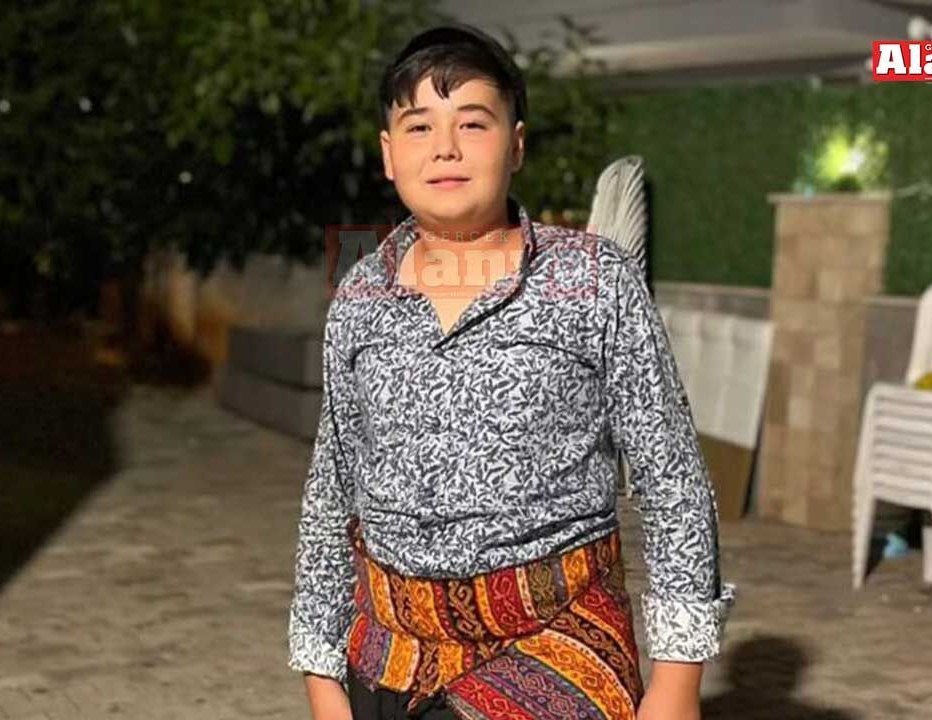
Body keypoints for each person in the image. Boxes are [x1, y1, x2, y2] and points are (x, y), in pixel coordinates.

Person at [288, 22, 735, 720]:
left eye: (473, 122)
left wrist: (677, 681)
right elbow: (331, 489)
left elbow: (671, 478)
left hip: (554, 650)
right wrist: (321, 677)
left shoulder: (592, 280)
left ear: (516, 144)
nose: (445, 147)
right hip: (387, 656)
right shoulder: (360, 296)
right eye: (418, 127)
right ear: (388, 154)